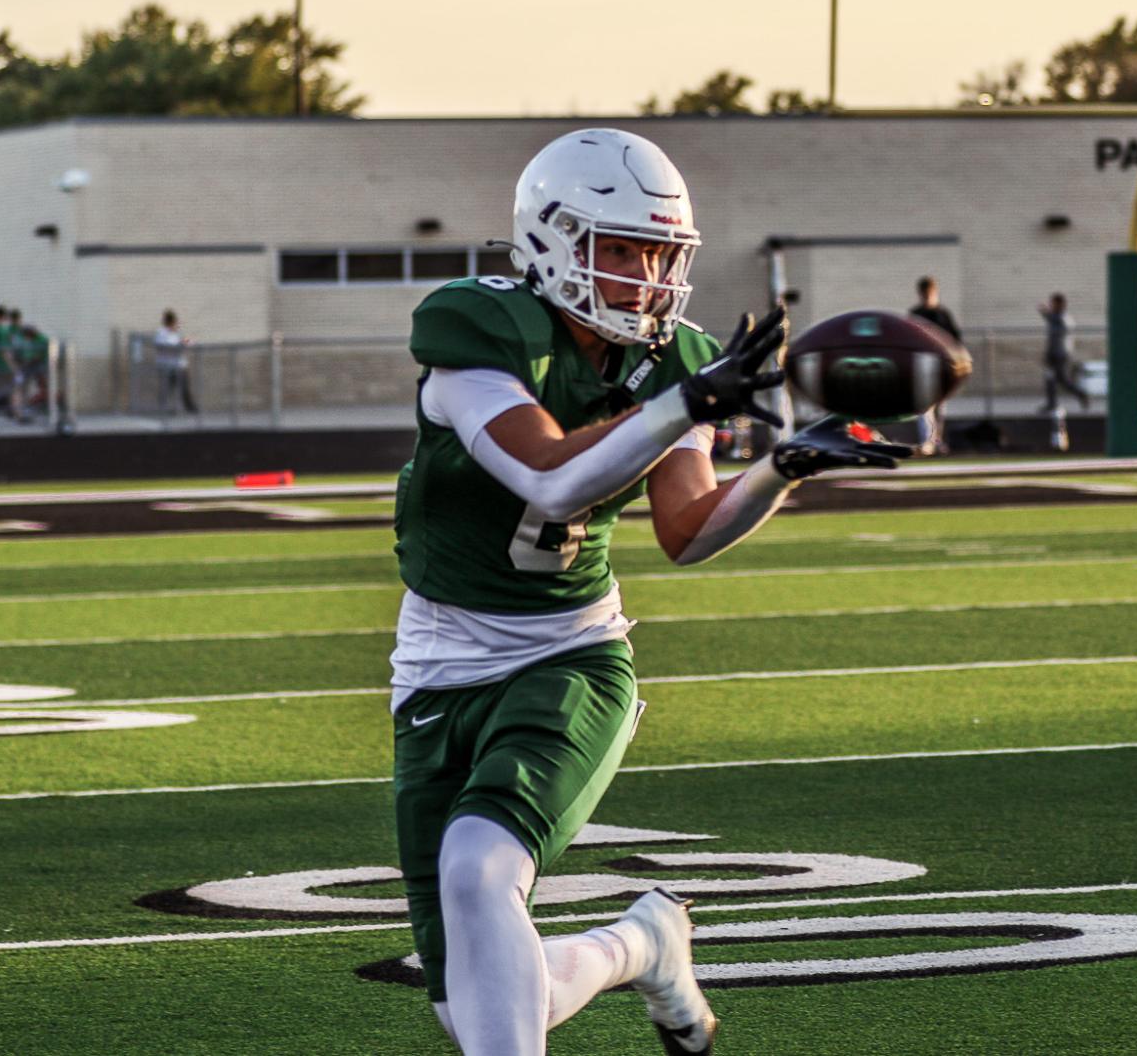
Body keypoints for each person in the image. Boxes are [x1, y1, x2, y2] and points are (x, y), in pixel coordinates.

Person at [390, 127, 907, 1056]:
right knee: (477, 1003)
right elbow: (547, 477)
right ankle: (643, 943)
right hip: (436, 661)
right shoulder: (478, 332)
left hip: (569, 653)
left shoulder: (678, 363)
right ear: (551, 239)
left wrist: (780, 471)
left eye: (659, 251)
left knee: (478, 870)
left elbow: (687, 530)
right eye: (620, 248)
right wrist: (686, 405)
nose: (644, 274)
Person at [907, 275, 962, 455]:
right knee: (924, 407)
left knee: (940, 407)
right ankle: (928, 442)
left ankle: (937, 440)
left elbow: (955, 339)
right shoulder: (917, 314)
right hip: (923, 366)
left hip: (942, 366)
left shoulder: (943, 314)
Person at [1037, 292, 1090, 413]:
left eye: (1053, 303)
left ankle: (1081, 394)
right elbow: (1049, 318)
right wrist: (1045, 312)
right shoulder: (1055, 316)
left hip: (1060, 354)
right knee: (1050, 378)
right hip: (1052, 353)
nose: (1051, 305)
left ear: (1060, 304)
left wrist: (1046, 313)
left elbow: (1059, 328)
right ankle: (1051, 404)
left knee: (1062, 380)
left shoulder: (1063, 318)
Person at [153, 310, 196, 415]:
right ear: (170, 322)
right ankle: (165, 409)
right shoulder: (161, 333)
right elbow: (165, 346)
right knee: (167, 388)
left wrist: (186, 342)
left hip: (179, 366)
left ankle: (190, 408)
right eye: (174, 323)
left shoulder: (176, 333)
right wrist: (179, 345)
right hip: (167, 366)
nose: (176, 325)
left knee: (184, 387)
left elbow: (184, 342)